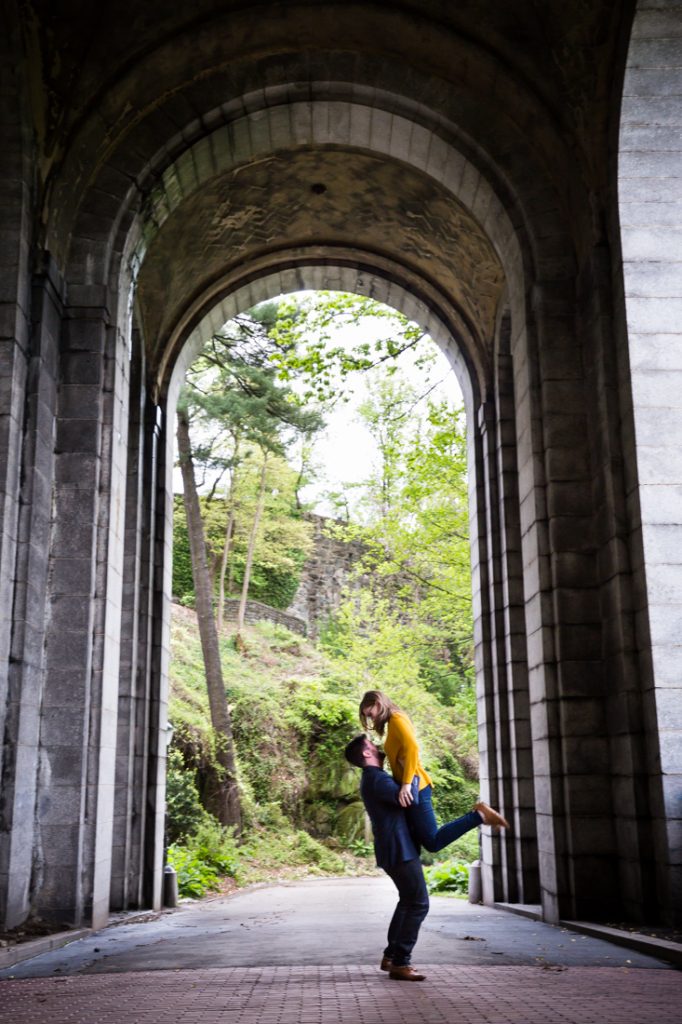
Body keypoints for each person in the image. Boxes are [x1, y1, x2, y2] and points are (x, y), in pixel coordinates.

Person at [359, 690, 509, 850]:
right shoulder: (394, 721)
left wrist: (406, 784)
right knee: (424, 838)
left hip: (417, 787)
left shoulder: (396, 718)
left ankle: (479, 815)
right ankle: (479, 815)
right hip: (413, 788)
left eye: (370, 713)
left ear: (377, 703)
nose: (371, 718)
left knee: (433, 842)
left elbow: (412, 748)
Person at [344, 733, 429, 981]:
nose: (377, 746)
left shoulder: (374, 778)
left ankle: (391, 957)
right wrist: (412, 771)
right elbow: (408, 799)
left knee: (408, 901)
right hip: (398, 849)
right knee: (418, 903)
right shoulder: (375, 779)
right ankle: (401, 962)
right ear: (366, 753)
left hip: (394, 848)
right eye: (372, 744)